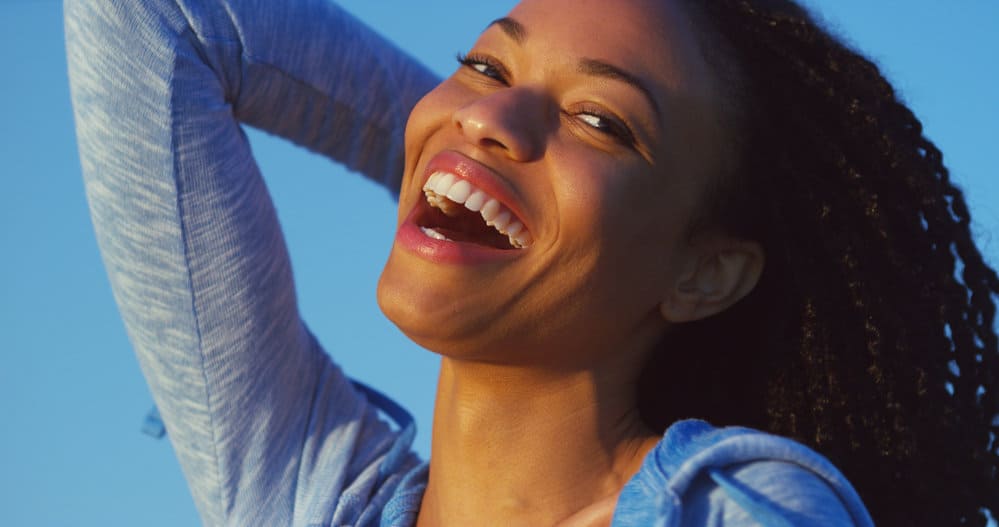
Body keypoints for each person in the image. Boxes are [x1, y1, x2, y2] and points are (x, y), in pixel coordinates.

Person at [65, 0, 997, 525]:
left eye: (602, 122)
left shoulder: (733, 508)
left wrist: (488, 185)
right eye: (482, 65)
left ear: (703, 271)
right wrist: (449, 160)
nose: (488, 114)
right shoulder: (311, 495)